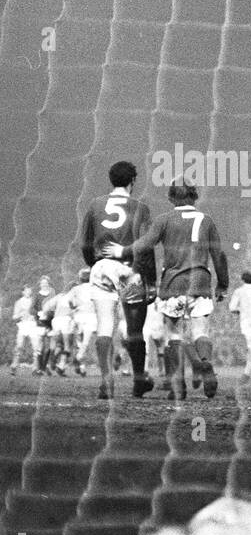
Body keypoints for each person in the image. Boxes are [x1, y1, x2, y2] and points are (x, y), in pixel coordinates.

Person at [105, 179, 228, 400]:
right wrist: (222, 284)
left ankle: (178, 386)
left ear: (171, 198)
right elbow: (218, 255)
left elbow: (145, 244)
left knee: (174, 334)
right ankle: (205, 363)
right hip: (200, 281)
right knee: (201, 331)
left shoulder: (164, 220)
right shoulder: (206, 220)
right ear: (194, 196)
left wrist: (122, 250)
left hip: (174, 283)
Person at [78, 160, 157, 399]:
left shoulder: (95, 204)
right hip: (129, 270)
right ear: (133, 181)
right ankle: (138, 380)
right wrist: (151, 280)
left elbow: (85, 243)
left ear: (111, 180)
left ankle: (106, 380)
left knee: (104, 325)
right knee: (134, 329)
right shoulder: (140, 207)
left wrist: (95, 264)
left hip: (102, 268)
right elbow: (145, 246)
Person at [228, 271, 251, 382]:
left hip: (247, 319)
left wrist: (240, 310)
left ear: (242, 280)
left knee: (250, 345)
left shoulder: (239, 291)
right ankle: (246, 373)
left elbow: (232, 307)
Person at [9, 285, 36, 375]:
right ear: (23, 292)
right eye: (26, 291)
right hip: (23, 325)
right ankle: (14, 366)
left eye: (29, 291)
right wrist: (21, 314)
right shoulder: (19, 302)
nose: (28, 292)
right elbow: (14, 316)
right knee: (19, 346)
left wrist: (34, 316)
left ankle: (35, 368)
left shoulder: (34, 301)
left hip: (32, 325)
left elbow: (38, 312)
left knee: (36, 347)